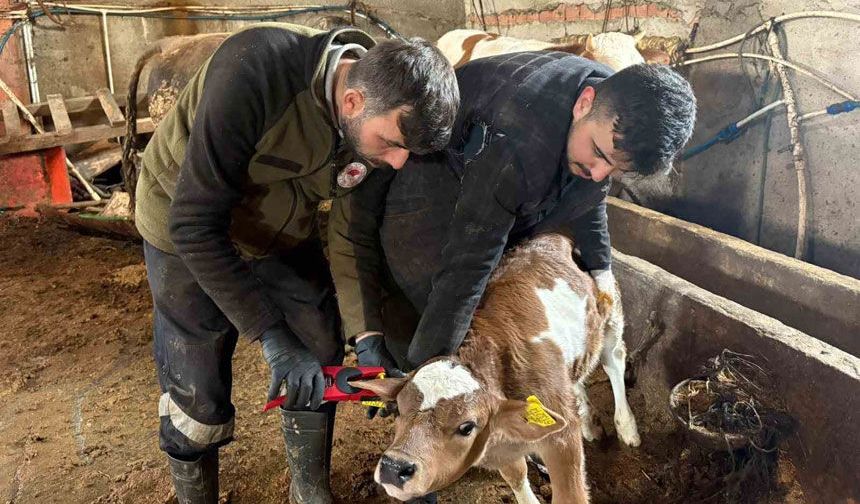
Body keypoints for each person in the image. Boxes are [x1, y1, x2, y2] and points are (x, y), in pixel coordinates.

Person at [134, 22, 458, 504]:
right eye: (390, 144)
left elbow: (347, 231)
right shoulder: (255, 69)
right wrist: (272, 337)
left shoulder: (376, 114)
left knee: (319, 343)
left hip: (277, 228)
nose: (395, 163)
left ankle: (308, 489)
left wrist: (366, 336)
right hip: (184, 220)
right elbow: (194, 224)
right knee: (197, 380)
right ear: (351, 102)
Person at [330, 53, 696, 413]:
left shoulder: (609, 105)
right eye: (598, 154)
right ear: (585, 103)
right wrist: (424, 373)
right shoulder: (518, 143)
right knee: (441, 314)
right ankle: (426, 404)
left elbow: (590, 198)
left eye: (614, 170)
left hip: (497, 180)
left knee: (490, 299)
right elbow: (467, 265)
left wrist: (602, 271)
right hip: (429, 195)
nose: (600, 174)